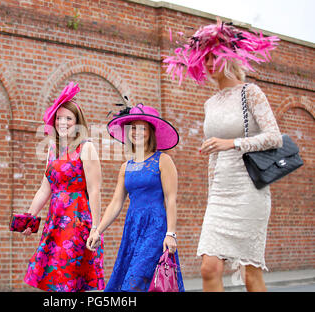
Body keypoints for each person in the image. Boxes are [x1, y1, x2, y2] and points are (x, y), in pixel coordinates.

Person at [163, 19, 282, 292]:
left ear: (229, 57)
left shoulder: (250, 93)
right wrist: (211, 193)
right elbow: (212, 155)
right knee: (209, 268)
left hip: (249, 190)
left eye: (213, 57)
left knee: (250, 272)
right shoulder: (210, 104)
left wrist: (232, 143)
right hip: (220, 193)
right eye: (204, 58)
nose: (207, 64)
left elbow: (274, 137)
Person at [86, 103, 185, 292]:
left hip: (156, 228)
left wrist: (171, 234)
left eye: (142, 128)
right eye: (133, 128)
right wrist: (97, 230)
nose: (136, 132)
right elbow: (116, 203)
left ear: (151, 132)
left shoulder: (163, 160)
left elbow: (171, 199)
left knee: (135, 280)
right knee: (134, 281)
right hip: (132, 228)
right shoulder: (125, 167)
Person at [22, 81, 105, 292]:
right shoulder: (52, 150)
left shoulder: (86, 148)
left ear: (78, 122)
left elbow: (95, 190)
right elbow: (44, 189)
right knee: (55, 276)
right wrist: (30, 217)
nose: (62, 122)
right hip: (55, 219)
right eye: (59, 118)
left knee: (69, 275)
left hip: (77, 219)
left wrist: (96, 227)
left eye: (68, 118)